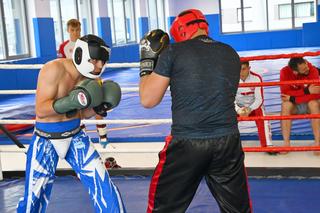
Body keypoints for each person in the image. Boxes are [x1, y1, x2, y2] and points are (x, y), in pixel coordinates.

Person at [139, 9, 251, 213]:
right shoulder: (231, 53)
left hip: (187, 143)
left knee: (163, 208)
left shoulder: (173, 52)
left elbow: (148, 100)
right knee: (237, 210)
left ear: (180, 30)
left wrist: (147, 62)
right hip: (228, 141)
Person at [17, 34, 126, 212]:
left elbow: (81, 113)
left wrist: (99, 108)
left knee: (105, 188)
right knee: (33, 199)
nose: (99, 66)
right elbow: (41, 110)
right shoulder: (53, 69)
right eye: (95, 60)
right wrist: (69, 102)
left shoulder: (91, 80)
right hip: (45, 139)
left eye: (102, 61)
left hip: (75, 137)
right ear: (80, 55)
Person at [58, 19, 109, 149]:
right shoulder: (64, 47)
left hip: (90, 78)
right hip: (74, 82)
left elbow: (97, 62)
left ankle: (103, 139)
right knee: (77, 109)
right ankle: (83, 138)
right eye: (72, 30)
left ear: (80, 30)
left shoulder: (87, 44)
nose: (75, 33)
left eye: (77, 30)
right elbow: (62, 66)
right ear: (68, 30)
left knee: (98, 107)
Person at [280, 57, 320, 155]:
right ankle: (286, 144)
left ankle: (318, 143)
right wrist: (306, 91)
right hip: (294, 105)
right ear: (295, 72)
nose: (307, 69)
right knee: (286, 105)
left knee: (314, 104)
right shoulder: (285, 72)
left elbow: (316, 93)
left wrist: (293, 98)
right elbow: (285, 94)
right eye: (303, 69)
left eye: (306, 65)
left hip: (308, 103)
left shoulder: (313, 70)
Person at [235, 61, 273, 148]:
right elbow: (230, 99)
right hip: (238, 107)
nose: (241, 72)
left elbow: (259, 99)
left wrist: (250, 109)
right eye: (238, 69)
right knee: (226, 116)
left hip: (253, 107)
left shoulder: (256, 78)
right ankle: (227, 147)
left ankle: (267, 146)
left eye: (243, 69)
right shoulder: (232, 78)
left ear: (249, 68)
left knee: (262, 114)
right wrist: (238, 110)